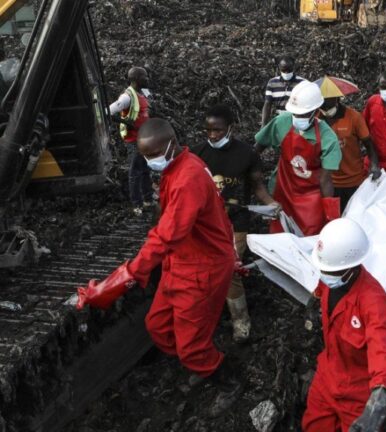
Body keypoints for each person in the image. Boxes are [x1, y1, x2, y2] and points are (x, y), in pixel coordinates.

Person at [76, 119, 242, 418]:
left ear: (172, 144)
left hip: (201, 267)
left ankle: (226, 379)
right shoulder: (177, 167)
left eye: (154, 154)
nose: (151, 161)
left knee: (191, 346)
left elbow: (166, 235)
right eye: (146, 156)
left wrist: (126, 276)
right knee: (158, 326)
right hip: (181, 261)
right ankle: (197, 360)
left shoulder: (188, 178)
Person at [302, 218, 386, 432]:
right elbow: (321, 289)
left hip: (357, 392)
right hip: (327, 375)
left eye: (329, 272)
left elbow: (384, 352)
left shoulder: (373, 302)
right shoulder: (331, 277)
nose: (325, 275)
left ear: (352, 268)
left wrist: (376, 408)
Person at [191, 104, 260, 343]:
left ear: (230, 128)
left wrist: (272, 204)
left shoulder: (246, 154)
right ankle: (209, 316)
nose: (212, 135)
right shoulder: (196, 154)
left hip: (236, 221)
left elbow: (258, 186)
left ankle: (241, 321)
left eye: (218, 130)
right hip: (207, 225)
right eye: (208, 130)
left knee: (230, 268)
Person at [254, 81, 342, 236]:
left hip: (310, 195)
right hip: (283, 187)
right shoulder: (281, 122)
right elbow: (258, 147)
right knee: (279, 235)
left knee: (310, 235)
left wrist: (329, 212)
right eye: (295, 113)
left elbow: (326, 179)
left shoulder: (328, 138)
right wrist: (255, 177)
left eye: (303, 114)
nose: (297, 117)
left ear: (315, 112)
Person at [319, 95, 381, 211]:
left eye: (329, 106)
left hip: (353, 180)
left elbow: (369, 144)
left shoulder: (354, 117)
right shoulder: (316, 118)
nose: (326, 110)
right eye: (323, 107)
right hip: (328, 182)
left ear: (337, 99)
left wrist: (374, 164)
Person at [109, 66, 152, 216]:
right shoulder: (127, 97)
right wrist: (129, 124)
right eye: (144, 77)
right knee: (135, 172)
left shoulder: (143, 93)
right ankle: (136, 205)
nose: (147, 79)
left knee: (146, 170)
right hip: (134, 140)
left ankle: (148, 200)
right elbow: (110, 111)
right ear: (136, 80)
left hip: (145, 139)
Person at [261, 56, 306, 126]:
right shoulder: (272, 83)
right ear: (279, 68)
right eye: (284, 70)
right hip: (278, 120)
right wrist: (263, 125)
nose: (286, 73)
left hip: (296, 121)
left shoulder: (302, 83)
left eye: (289, 70)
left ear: (293, 67)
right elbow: (267, 104)